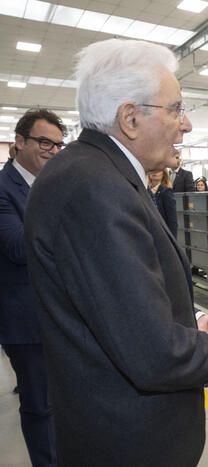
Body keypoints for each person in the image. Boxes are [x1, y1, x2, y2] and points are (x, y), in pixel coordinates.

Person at [23, 39, 208, 466]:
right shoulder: (96, 189)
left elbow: (114, 295)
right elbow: (151, 354)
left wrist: (191, 318)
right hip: (130, 441)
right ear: (130, 117)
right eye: (176, 108)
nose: (187, 125)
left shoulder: (97, 172)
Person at [0, 108, 65, 467]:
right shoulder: (3, 189)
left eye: (57, 144)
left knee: (63, 401)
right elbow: (17, 247)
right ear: (19, 142)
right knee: (40, 405)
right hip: (25, 321)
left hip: (61, 314)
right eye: (44, 142)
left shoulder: (50, 183)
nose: (52, 150)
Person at [148, 168, 177, 236]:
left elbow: (172, 220)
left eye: (158, 170)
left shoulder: (166, 192)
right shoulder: (145, 190)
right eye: (152, 169)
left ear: (164, 174)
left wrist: (172, 242)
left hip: (161, 234)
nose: (154, 172)